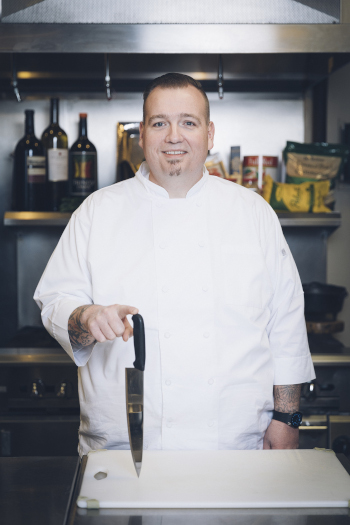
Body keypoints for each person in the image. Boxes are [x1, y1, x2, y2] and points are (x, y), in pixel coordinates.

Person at [34, 73, 315, 456]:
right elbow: (54, 303)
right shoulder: (97, 212)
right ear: (142, 134)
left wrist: (287, 420)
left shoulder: (252, 213)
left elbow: (286, 324)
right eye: (159, 123)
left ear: (210, 134)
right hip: (125, 448)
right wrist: (86, 317)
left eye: (188, 122)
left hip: (234, 447)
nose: (173, 136)